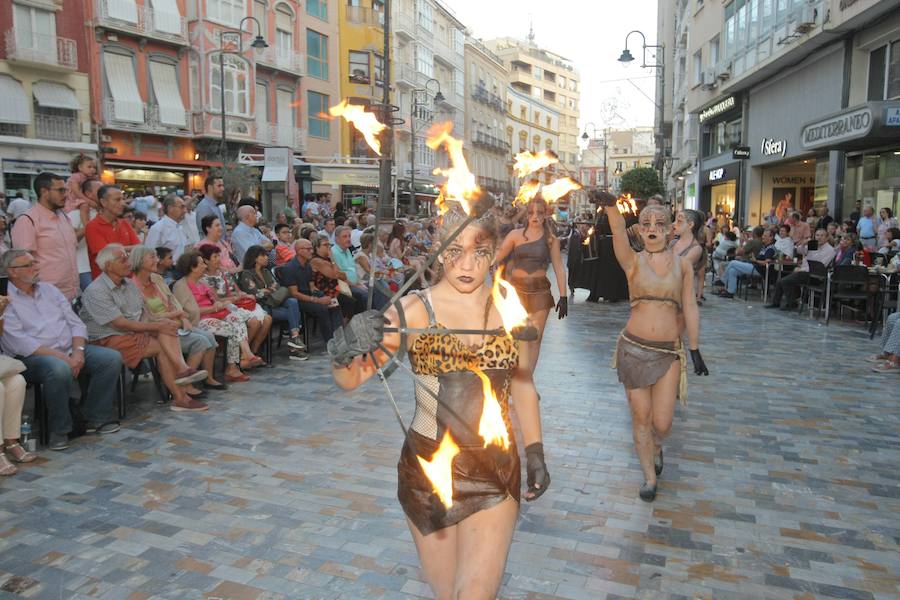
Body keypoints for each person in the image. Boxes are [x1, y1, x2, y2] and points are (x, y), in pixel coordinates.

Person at [329, 200, 522, 599]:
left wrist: (535, 450)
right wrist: (345, 349)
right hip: (427, 471)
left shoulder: (508, 305)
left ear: (494, 252)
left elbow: (523, 383)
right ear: (438, 249)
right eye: (455, 252)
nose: (466, 265)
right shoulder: (415, 308)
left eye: (480, 252)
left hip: (495, 470)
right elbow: (352, 379)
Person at [601, 200, 708, 502]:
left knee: (662, 423)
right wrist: (611, 207)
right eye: (646, 224)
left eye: (659, 224)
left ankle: (657, 446)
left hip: (668, 353)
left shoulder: (683, 265)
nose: (652, 229)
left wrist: (695, 349)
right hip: (633, 350)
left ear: (670, 229)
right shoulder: (632, 261)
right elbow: (618, 231)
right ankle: (649, 477)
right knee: (641, 417)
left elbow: (689, 306)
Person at [0, 249, 124, 450]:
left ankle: (95, 417)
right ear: (12, 272)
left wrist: (78, 352)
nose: (36, 267)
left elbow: (76, 324)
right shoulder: (5, 299)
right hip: (30, 358)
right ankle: (60, 430)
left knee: (110, 359)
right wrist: (65, 359)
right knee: (58, 368)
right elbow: (20, 342)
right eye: (29, 264)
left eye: (35, 262)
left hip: (69, 349)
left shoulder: (49, 290)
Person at [494, 195, 567, 500]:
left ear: (546, 213)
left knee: (533, 340)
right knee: (510, 340)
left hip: (539, 292)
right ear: (526, 213)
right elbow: (496, 258)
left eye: (540, 212)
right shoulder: (514, 235)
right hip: (514, 292)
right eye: (532, 211)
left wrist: (564, 295)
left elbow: (559, 267)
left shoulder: (550, 238)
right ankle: (515, 380)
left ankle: (525, 380)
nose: (536, 215)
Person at [81, 244, 209, 412]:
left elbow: (144, 313)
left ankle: (182, 380)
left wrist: (161, 323)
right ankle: (181, 390)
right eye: (123, 260)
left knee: (166, 327)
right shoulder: (97, 290)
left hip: (130, 331)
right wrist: (156, 325)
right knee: (162, 342)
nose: (128, 263)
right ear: (108, 266)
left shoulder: (127, 284)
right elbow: (120, 324)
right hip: (107, 338)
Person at [129, 246, 224, 395]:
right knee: (200, 342)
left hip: (174, 322)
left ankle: (207, 378)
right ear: (140, 261)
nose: (157, 260)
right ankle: (185, 383)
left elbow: (172, 300)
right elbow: (146, 317)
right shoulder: (132, 287)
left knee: (209, 338)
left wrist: (182, 316)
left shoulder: (157, 279)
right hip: (156, 329)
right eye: (152, 257)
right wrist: (178, 314)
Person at [173, 250, 263, 381]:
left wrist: (222, 303)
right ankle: (234, 365)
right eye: (201, 264)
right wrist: (213, 308)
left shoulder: (202, 281)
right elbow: (190, 312)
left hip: (215, 314)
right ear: (192, 268)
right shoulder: (182, 286)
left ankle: (241, 359)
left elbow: (215, 299)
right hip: (199, 320)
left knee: (236, 319)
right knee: (232, 329)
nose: (205, 265)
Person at [10, 172, 79, 300]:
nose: (66, 195)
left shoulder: (63, 217)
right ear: (44, 192)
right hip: (44, 297)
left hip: (70, 294)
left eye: (66, 190)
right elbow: (22, 265)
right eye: (61, 190)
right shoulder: (27, 220)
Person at [198, 244, 271, 358]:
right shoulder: (204, 279)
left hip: (236, 303)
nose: (219, 259)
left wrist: (244, 295)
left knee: (267, 319)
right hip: (225, 307)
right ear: (206, 261)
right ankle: (242, 355)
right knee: (254, 322)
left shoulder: (224, 273)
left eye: (219, 256)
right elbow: (215, 300)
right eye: (215, 257)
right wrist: (235, 298)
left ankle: (252, 351)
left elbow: (237, 291)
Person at [237, 245, 308, 361]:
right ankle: (295, 343)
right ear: (255, 258)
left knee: (292, 301)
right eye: (263, 255)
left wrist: (266, 291)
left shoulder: (266, 271)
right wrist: (268, 291)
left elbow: (277, 287)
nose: (266, 258)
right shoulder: (247, 274)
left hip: (274, 303)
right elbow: (256, 294)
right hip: (262, 307)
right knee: (294, 313)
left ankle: (294, 338)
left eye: (266, 255)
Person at [281, 239, 343, 344]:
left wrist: (324, 296)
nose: (311, 251)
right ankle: (330, 341)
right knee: (322, 308)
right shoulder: (290, 268)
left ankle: (339, 338)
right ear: (299, 251)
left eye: (311, 249)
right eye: (308, 249)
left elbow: (311, 286)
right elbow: (294, 293)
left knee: (334, 303)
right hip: (298, 300)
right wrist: (318, 300)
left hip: (308, 295)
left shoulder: (308, 265)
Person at [765, 229, 836, 310]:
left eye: (822, 235)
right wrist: (803, 244)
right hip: (804, 271)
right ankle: (775, 302)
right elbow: (799, 250)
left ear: (826, 238)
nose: (819, 238)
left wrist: (802, 269)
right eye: (817, 235)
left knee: (785, 281)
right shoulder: (813, 246)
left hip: (815, 275)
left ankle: (791, 304)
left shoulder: (830, 250)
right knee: (780, 280)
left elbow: (821, 265)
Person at [85, 185, 141, 279]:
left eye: (123, 199)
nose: (123, 203)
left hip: (128, 281)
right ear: (103, 202)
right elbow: (106, 255)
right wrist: (128, 249)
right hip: (106, 285)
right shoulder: (93, 226)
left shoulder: (124, 223)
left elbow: (139, 248)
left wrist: (117, 250)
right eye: (117, 200)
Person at [333, 225, 387, 310]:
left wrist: (358, 283)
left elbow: (353, 270)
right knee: (366, 293)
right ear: (337, 239)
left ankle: (382, 312)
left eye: (349, 236)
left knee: (378, 286)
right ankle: (371, 316)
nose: (348, 239)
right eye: (344, 236)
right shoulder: (334, 252)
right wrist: (356, 285)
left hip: (357, 282)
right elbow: (339, 276)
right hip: (345, 286)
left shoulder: (347, 250)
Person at [717, 229, 776, 299]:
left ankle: (723, 280)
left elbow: (767, 262)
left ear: (771, 237)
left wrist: (756, 260)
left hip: (759, 269)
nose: (763, 237)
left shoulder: (770, 249)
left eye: (765, 236)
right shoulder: (764, 246)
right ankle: (730, 292)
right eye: (763, 235)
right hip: (754, 266)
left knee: (733, 263)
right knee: (732, 271)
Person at [310, 235, 359, 320]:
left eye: (329, 245)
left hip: (336, 287)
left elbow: (342, 275)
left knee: (359, 296)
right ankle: (342, 326)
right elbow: (335, 275)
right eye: (325, 245)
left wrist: (337, 271)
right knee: (350, 301)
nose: (328, 247)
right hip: (324, 291)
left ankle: (350, 323)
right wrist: (332, 259)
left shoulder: (326, 259)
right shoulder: (316, 261)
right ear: (317, 248)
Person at [69, 179, 101, 291]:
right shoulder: (74, 214)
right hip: (83, 268)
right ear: (88, 194)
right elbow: (70, 241)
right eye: (100, 190)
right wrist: (89, 227)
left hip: (101, 267)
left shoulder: (103, 213)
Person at [669, 209, 706, 303]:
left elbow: (678, 267)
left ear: (690, 225)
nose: (674, 224)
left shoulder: (696, 248)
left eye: (679, 221)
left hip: (682, 296)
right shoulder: (673, 243)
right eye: (675, 220)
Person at [144, 194, 189, 261]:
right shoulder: (158, 228)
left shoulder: (180, 227)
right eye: (182, 207)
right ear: (170, 208)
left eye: (185, 207)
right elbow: (150, 253)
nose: (185, 211)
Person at [64, 154, 97, 230]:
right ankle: (86, 225)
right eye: (89, 167)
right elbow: (76, 192)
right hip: (74, 199)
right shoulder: (76, 176)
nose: (92, 169)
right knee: (84, 205)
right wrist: (88, 201)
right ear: (80, 168)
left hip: (82, 198)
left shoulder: (90, 178)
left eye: (94, 167)